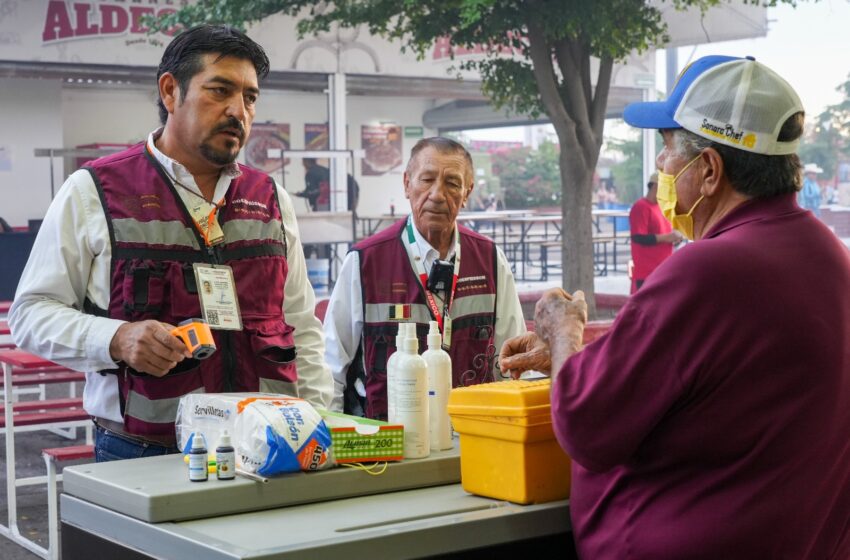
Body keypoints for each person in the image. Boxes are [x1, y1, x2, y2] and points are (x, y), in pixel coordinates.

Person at [500, 55, 850, 559]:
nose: (661, 167)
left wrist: (565, 331)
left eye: (666, 150)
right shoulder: (828, 254)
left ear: (709, 170)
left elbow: (584, 423)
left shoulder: (708, 271)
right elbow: (706, 372)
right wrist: (568, 354)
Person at [9, 25, 333, 462]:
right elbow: (30, 315)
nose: (238, 110)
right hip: (143, 451)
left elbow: (300, 325)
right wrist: (116, 337)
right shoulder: (95, 191)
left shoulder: (270, 198)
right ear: (169, 91)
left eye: (250, 97)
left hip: (268, 447)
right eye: (220, 90)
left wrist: (317, 420)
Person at [323, 137, 526, 418]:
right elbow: (330, 366)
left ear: (467, 192)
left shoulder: (490, 260)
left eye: (452, 183)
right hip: (387, 441)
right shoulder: (364, 262)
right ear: (407, 184)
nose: (437, 194)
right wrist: (331, 434)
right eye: (426, 179)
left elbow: (509, 364)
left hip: (470, 434)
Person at [628, 172, 684, 293]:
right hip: (646, 272)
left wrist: (675, 239)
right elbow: (638, 238)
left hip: (663, 269)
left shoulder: (661, 208)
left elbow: (666, 236)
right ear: (655, 187)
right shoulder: (641, 207)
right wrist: (667, 237)